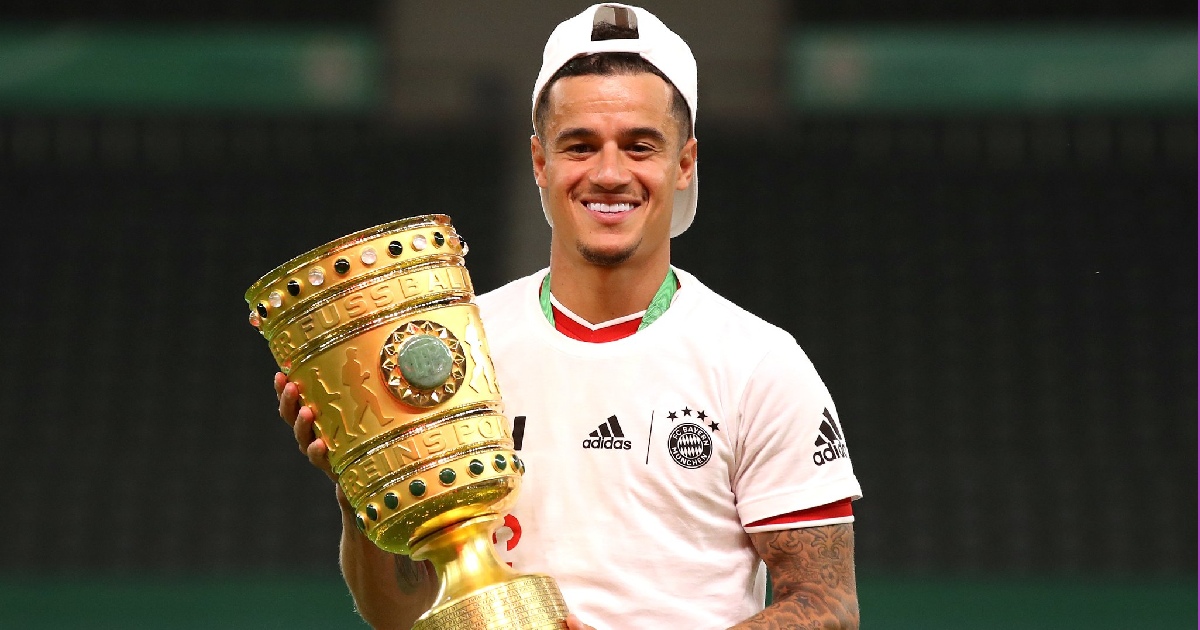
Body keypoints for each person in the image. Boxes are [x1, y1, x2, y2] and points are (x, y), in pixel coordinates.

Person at [275, 4, 862, 628]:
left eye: (639, 146)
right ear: (540, 162)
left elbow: (828, 608)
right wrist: (361, 475)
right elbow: (399, 616)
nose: (609, 174)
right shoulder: (462, 348)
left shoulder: (758, 364)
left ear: (685, 163)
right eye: (579, 146)